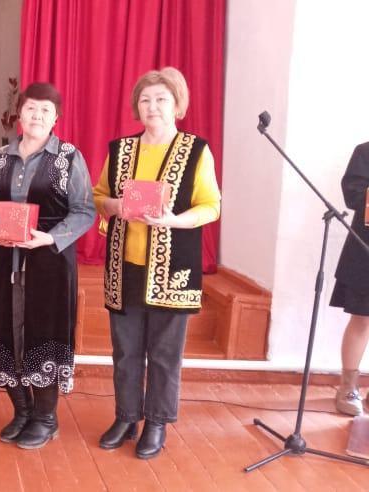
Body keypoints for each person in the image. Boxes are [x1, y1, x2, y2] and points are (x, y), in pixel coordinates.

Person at [93, 67, 221, 459]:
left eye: (162, 99)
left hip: (172, 269)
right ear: (137, 106)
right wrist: (114, 205)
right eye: (145, 100)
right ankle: (126, 416)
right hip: (125, 266)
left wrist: (173, 220)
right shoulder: (120, 150)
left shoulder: (196, 150)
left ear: (177, 105)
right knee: (125, 350)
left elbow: (211, 205)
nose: (153, 107)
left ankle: (157, 422)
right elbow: (98, 196)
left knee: (165, 353)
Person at [0, 82, 95, 449]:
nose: (37, 116)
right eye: (30, 109)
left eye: (45, 110)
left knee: (44, 333)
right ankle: (23, 411)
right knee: (5, 330)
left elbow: (84, 210)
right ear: (19, 114)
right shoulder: (1, 157)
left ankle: (46, 418)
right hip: (4, 260)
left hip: (49, 263)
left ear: (56, 118)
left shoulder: (69, 158)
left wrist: (50, 238)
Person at [331, 142, 369, 416]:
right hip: (366, 250)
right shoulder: (365, 152)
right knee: (362, 319)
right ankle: (348, 387)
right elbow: (353, 195)